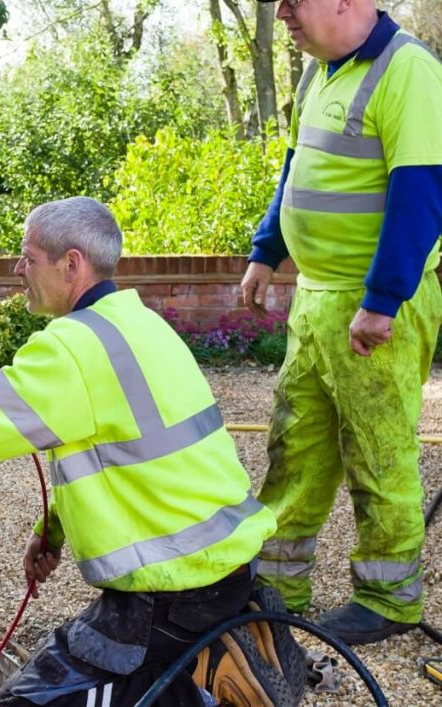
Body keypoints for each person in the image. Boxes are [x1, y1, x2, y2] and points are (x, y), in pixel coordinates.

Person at [0, 197, 306, 706]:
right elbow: (131, 460)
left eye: (27, 258)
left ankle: (201, 686)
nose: (18, 271)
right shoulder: (142, 325)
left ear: (71, 263)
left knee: (26, 703)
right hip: (227, 570)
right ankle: (210, 657)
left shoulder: (74, 347)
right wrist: (51, 529)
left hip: (173, 593)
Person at [242, 0, 442, 645]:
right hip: (317, 297)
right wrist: (267, 252)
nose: (282, 13)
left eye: (294, 1)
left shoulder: (407, 71)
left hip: (373, 307)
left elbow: (422, 193)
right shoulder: (318, 71)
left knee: (378, 453)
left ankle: (387, 601)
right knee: (296, 446)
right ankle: (275, 590)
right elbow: (297, 170)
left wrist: (383, 301)